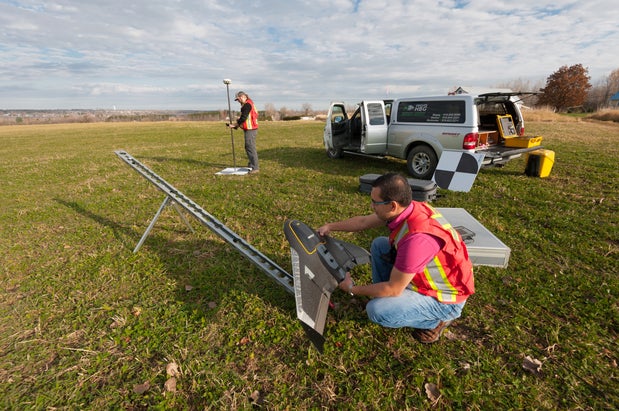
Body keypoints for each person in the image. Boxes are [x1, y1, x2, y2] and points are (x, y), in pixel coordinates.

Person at [317, 172, 474, 343]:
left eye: (375, 202)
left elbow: (394, 288)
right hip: (421, 278)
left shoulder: (417, 239)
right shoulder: (410, 208)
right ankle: (382, 294)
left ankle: (435, 321)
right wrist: (330, 226)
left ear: (392, 205)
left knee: (378, 311)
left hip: (443, 300)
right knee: (380, 245)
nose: (372, 206)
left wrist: (352, 289)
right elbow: (363, 222)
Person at [228, 91, 259, 174]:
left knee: (250, 147)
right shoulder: (249, 103)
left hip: (251, 129)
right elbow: (245, 117)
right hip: (250, 128)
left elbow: (244, 117)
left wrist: (236, 124)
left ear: (243, 97)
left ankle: (255, 167)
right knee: (248, 146)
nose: (238, 101)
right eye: (237, 100)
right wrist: (237, 125)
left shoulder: (247, 105)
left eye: (238, 99)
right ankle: (251, 164)